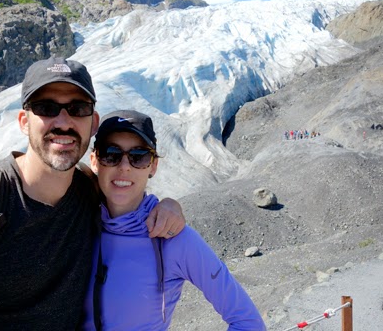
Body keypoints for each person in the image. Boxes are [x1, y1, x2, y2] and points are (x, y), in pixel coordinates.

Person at [0, 57, 185, 330]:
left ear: (93, 123)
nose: (63, 121)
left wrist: (170, 205)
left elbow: (132, 199)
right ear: (24, 121)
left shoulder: (89, 190)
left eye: (77, 108)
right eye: (46, 107)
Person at [81, 110, 266, 330]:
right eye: (111, 154)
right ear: (94, 161)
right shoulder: (77, 222)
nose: (125, 166)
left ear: (153, 166)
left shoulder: (173, 238)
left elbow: (248, 322)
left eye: (139, 156)